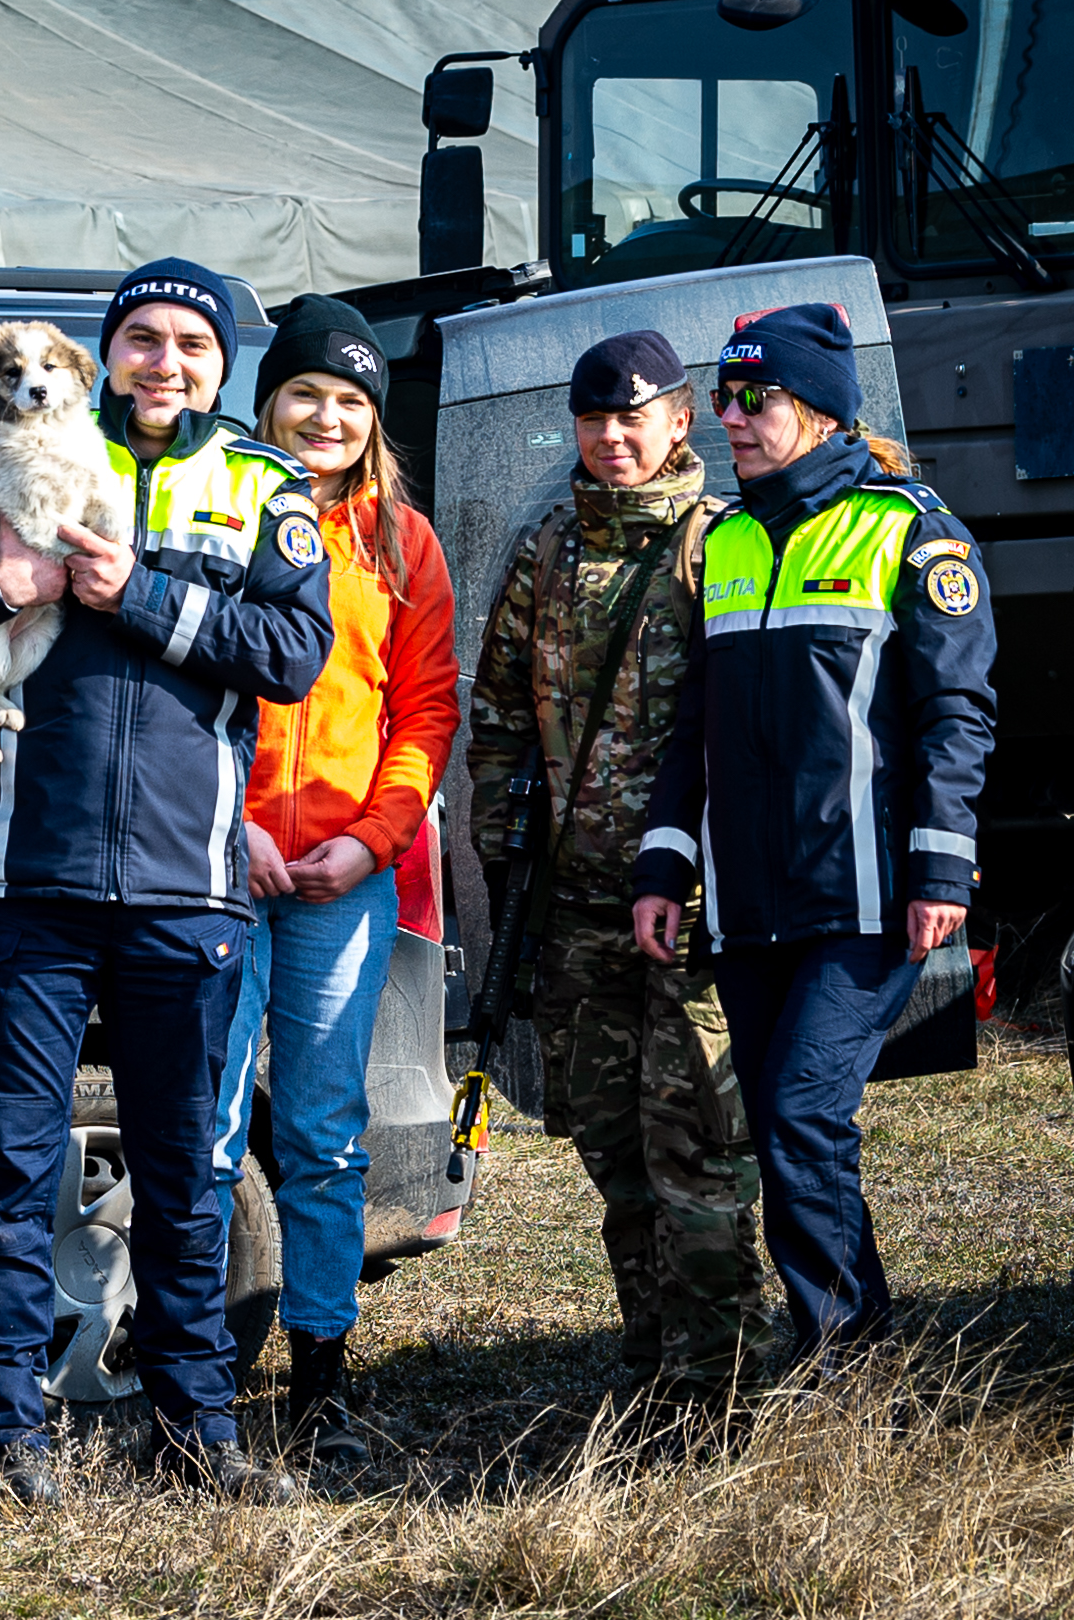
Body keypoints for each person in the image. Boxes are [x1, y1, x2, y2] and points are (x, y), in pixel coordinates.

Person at [0, 259, 334, 1502]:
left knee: (185, 1177)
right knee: (13, 1173)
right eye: (140, 340)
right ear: (97, 357)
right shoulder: (9, 453)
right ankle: (8, 1438)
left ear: (221, 365)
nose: (162, 362)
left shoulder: (260, 485)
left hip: (188, 889)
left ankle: (200, 1435)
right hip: (25, 883)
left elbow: (293, 653)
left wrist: (142, 595)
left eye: (189, 344)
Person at [635, 304, 994, 1374]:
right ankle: (843, 1345)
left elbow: (957, 713)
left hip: (868, 896)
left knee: (800, 1116)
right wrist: (666, 862)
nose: (733, 419)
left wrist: (943, 863)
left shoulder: (911, 528)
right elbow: (693, 725)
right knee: (788, 1130)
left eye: (760, 398)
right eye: (729, 397)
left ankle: (845, 1361)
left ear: (827, 410)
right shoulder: (730, 541)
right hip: (750, 905)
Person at [466, 330, 771, 1417]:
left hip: (692, 911)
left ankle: (720, 1386)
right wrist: (503, 853)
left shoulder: (726, 543)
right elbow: (497, 706)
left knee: (698, 1153)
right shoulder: (549, 544)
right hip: (576, 910)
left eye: (632, 417)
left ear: (681, 420)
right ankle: (650, 1366)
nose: (611, 438)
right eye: (594, 421)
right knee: (615, 1156)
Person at [210, 296, 458, 1468]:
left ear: (374, 422)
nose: (325, 416)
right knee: (203, 1131)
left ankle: (318, 1384)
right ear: (266, 401)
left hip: (342, 880)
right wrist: (234, 828)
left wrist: (372, 841)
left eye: (351, 402)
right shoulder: (213, 505)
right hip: (217, 867)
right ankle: (194, 1382)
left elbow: (425, 713)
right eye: (306, 392)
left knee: (319, 1133)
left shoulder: (402, 546)